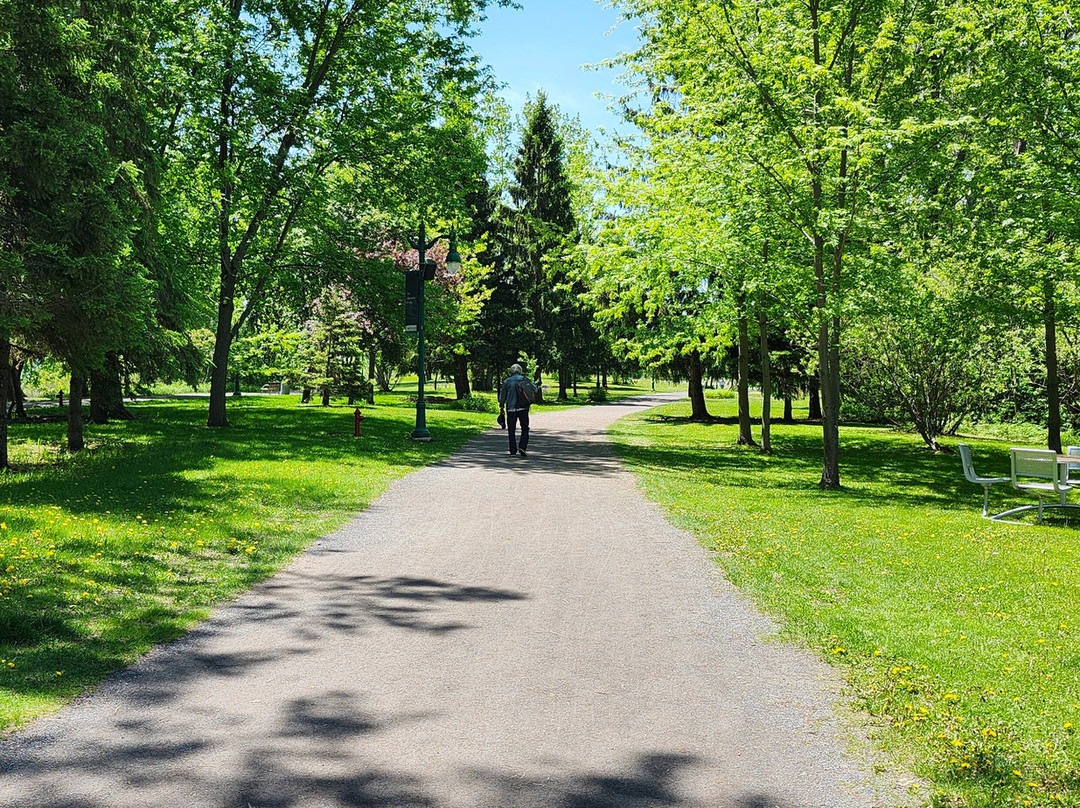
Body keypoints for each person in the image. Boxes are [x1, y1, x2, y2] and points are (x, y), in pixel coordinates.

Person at [497, 363, 536, 457]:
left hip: (511, 409)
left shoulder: (507, 381)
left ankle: (513, 451)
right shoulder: (525, 379)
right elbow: (535, 388)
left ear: (511, 371)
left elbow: (502, 397)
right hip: (523, 408)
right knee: (525, 428)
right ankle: (523, 446)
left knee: (511, 430)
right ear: (520, 371)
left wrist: (501, 406)